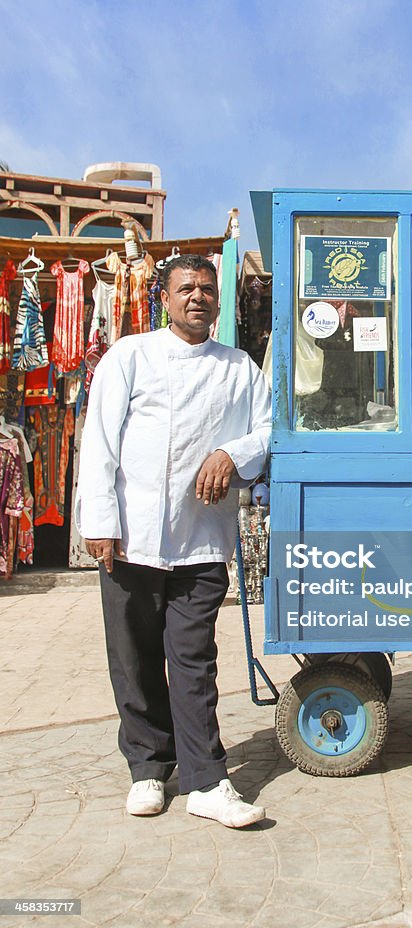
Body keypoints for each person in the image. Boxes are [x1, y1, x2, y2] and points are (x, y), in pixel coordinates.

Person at [75, 254, 271, 828]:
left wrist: (231, 453)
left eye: (208, 289)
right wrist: (100, 521)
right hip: (130, 538)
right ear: (165, 297)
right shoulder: (129, 356)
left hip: (201, 542)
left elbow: (267, 430)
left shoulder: (239, 368)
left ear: (218, 300)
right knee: (133, 658)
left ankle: (207, 780)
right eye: (187, 288)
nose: (199, 297)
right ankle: (148, 769)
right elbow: (100, 441)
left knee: (192, 660)